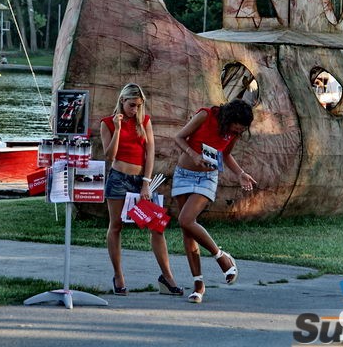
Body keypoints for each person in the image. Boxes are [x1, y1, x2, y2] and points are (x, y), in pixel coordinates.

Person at [101, 83, 183, 297]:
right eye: (131, 105)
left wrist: (146, 182)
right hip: (118, 179)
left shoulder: (144, 121)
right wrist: (118, 129)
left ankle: (167, 277)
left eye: (138, 106)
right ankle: (118, 276)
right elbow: (110, 156)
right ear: (122, 101)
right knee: (116, 226)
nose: (135, 109)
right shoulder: (107, 123)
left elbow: (150, 151)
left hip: (141, 181)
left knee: (157, 226)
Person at [171, 99, 256, 303]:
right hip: (183, 174)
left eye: (242, 129)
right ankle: (198, 284)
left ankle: (221, 257)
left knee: (186, 220)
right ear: (229, 117)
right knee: (187, 230)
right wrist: (193, 155)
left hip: (207, 177)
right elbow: (179, 137)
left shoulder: (233, 133)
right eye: (237, 126)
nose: (239, 131)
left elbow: (225, 154)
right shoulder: (206, 115)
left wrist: (240, 174)